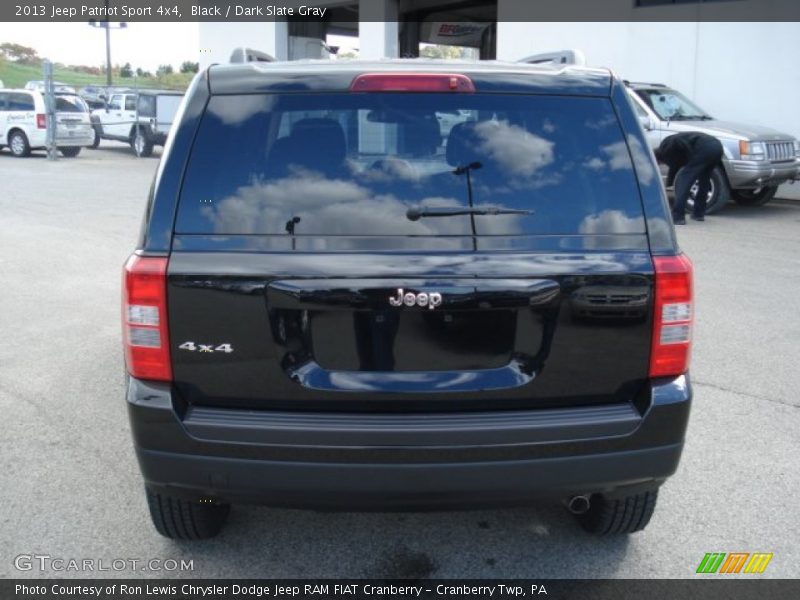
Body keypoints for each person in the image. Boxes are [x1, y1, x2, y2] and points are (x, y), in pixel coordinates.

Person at [654, 132, 724, 224]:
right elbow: (676, 165)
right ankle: (698, 214)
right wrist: (669, 183)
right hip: (717, 146)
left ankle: (678, 217)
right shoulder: (670, 146)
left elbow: (675, 164)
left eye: (658, 163)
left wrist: (670, 183)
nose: (660, 165)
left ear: (657, 158)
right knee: (704, 180)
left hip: (704, 148)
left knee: (684, 179)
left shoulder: (665, 146)